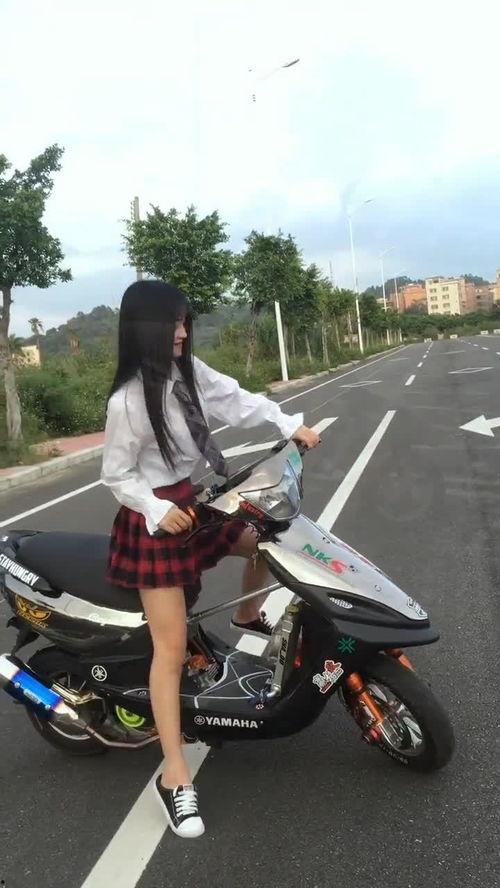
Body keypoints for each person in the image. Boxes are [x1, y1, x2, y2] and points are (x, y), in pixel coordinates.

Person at [101, 280, 320, 838]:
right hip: (155, 521)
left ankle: (246, 614)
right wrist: (155, 508)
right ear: (145, 329)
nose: (182, 332)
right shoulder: (127, 401)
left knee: (269, 535)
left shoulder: (188, 372)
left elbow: (235, 398)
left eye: (185, 322)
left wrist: (288, 425)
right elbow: (116, 474)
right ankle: (174, 775)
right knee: (170, 650)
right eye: (172, 323)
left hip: (192, 502)